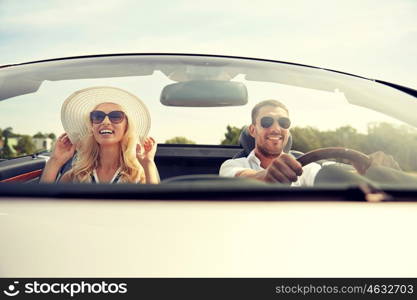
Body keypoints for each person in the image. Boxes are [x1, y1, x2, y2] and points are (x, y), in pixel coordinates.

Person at [219, 99, 401, 186]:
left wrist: (367, 174)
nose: (276, 129)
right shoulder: (233, 165)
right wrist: (267, 176)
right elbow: (243, 178)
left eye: (283, 123)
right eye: (267, 122)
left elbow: (327, 179)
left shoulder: (305, 167)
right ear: (252, 130)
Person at [40, 86, 159, 184]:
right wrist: (55, 161)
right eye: (98, 116)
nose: (106, 122)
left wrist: (148, 164)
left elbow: (156, 208)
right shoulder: (76, 175)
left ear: (126, 126)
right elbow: (42, 205)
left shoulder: (138, 175)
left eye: (116, 116)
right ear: (92, 126)